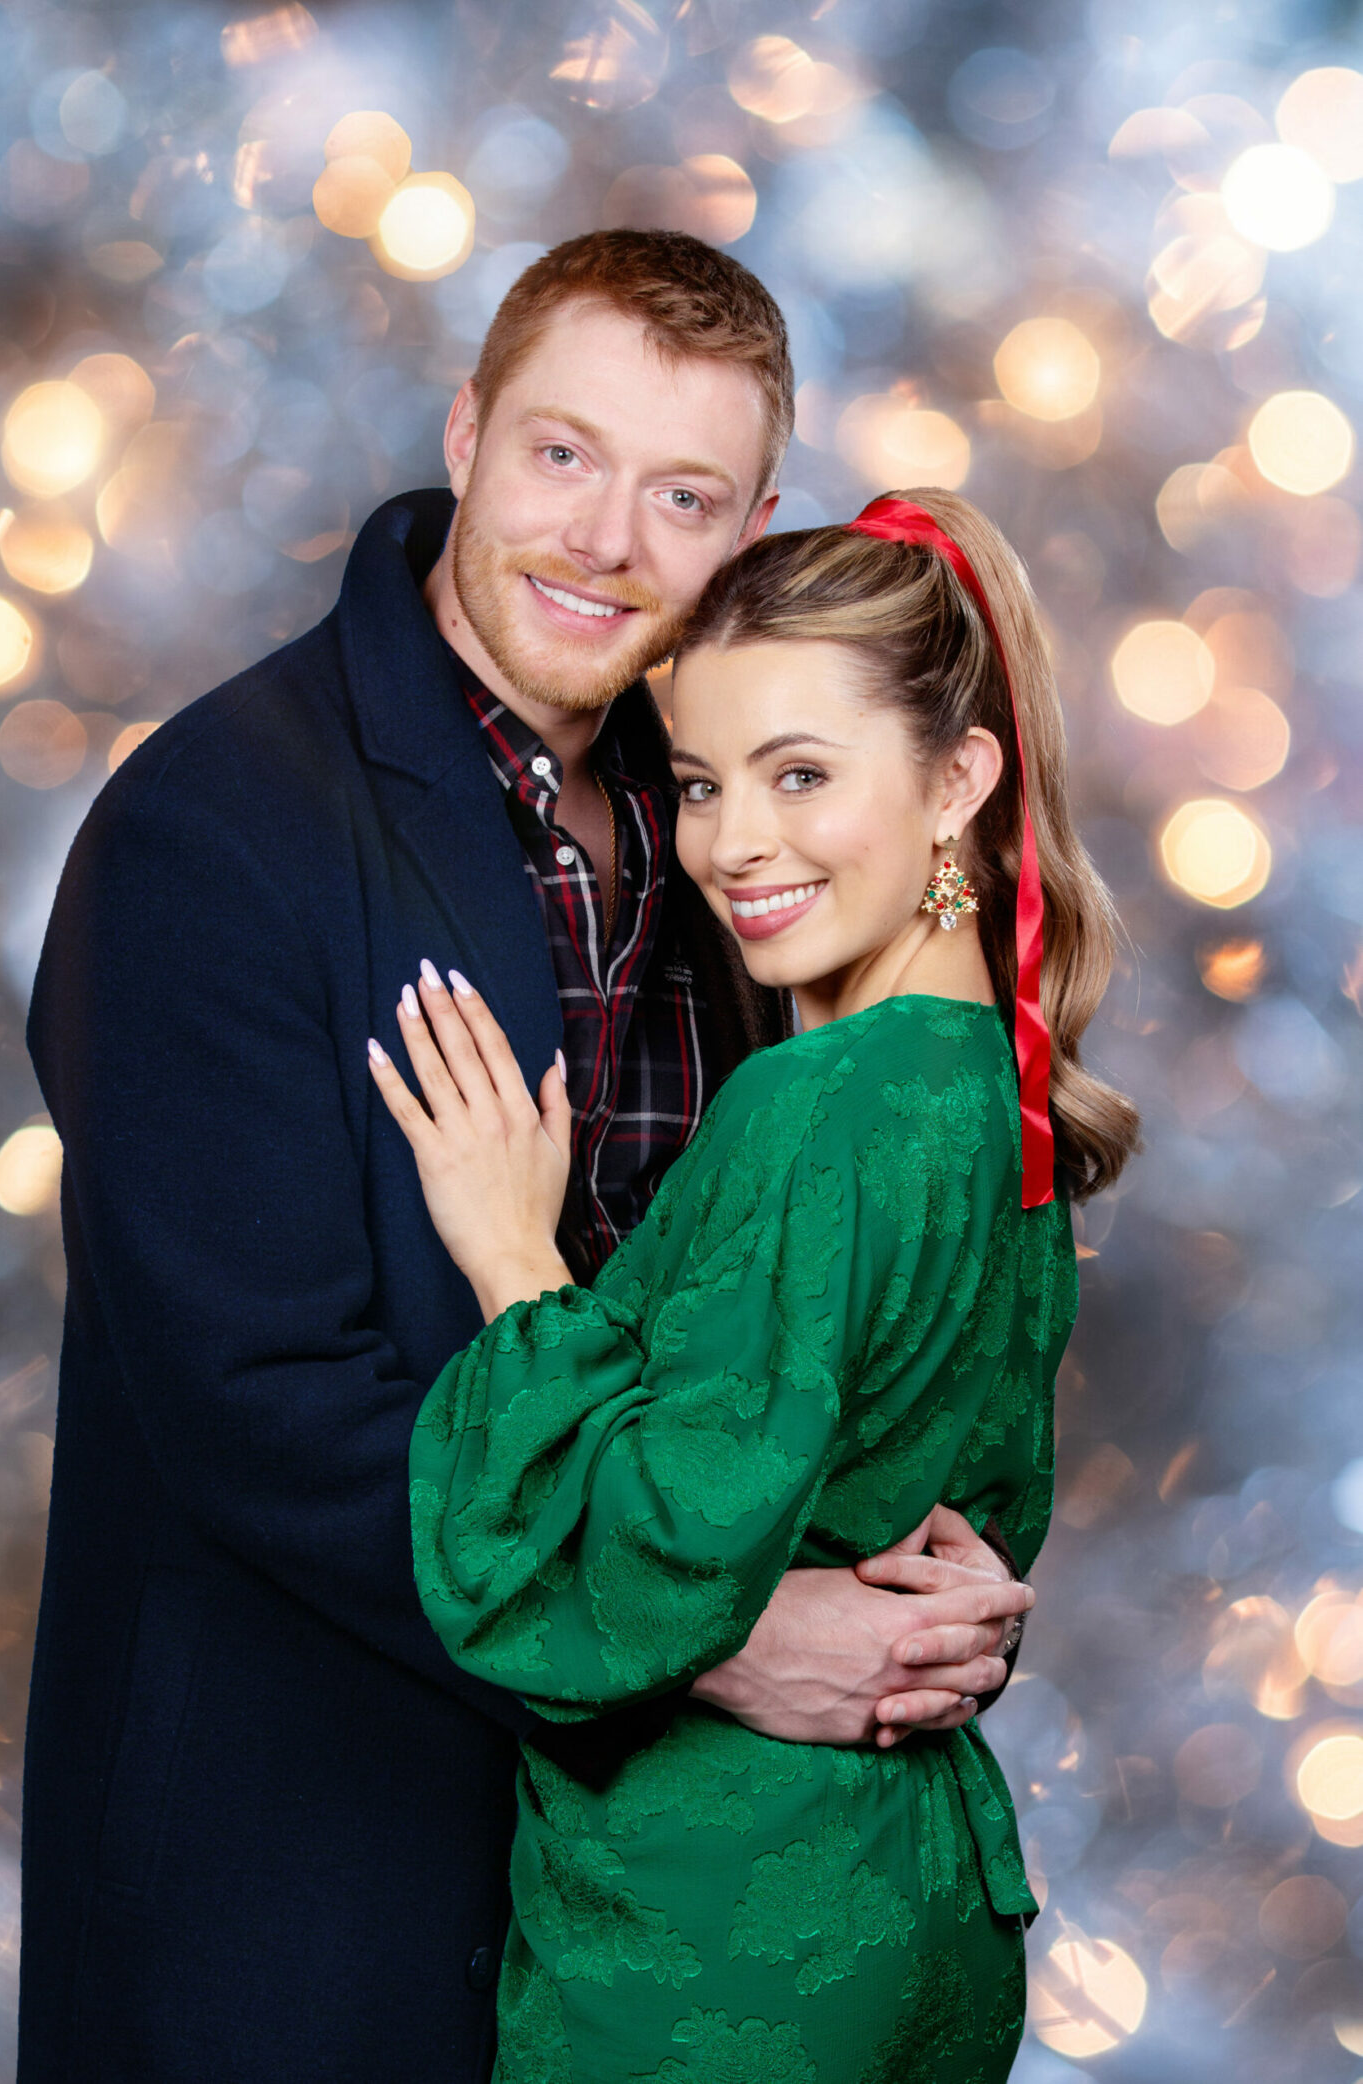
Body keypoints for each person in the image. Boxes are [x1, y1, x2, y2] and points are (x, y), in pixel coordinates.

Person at [19, 233, 1031, 2083]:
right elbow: (266, 1408)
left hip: (651, 1902)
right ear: (470, 429)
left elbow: (794, 1313)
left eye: (684, 495)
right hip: (305, 1879)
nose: (606, 541)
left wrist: (927, 1583)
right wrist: (708, 1641)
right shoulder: (213, 830)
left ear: (753, 522)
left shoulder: (738, 806)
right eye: (564, 456)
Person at [372, 490, 1140, 2082]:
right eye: (707, 783)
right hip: (914, 1902)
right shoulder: (991, 1091)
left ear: (958, 782)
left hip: (718, 1943)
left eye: (801, 775)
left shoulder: (817, 1111)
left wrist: (515, 1257)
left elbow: (652, 1548)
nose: (734, 844)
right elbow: (965, 1526)